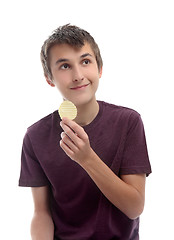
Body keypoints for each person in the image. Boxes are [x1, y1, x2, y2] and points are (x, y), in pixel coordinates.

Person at [19, 24, 152, 240]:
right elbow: (41, 213)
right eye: (64, 66)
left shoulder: (129, 122)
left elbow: (134, 207)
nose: (78, 75)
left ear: (99, 68)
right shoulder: (35, 136)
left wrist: (87, 158)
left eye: (85, 61)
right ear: (49, 78)